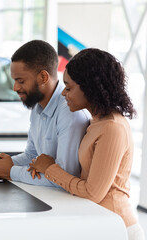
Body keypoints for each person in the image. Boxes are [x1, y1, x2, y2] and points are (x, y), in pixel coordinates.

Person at [29, 48, 145, 240]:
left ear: (90, 87)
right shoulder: (96, 122)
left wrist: (50, 168)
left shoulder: (112, 127)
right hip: (99, 224)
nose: (64, 94)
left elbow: (92, 193)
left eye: (69, 87)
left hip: (118, 228)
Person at [0, 40, 90, 187]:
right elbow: (31, 156)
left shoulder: (70, 112)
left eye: (20, 81)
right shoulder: (37, 106)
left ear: (43, 77)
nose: (15, 88)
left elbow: (65, 178)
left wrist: (11, 172)